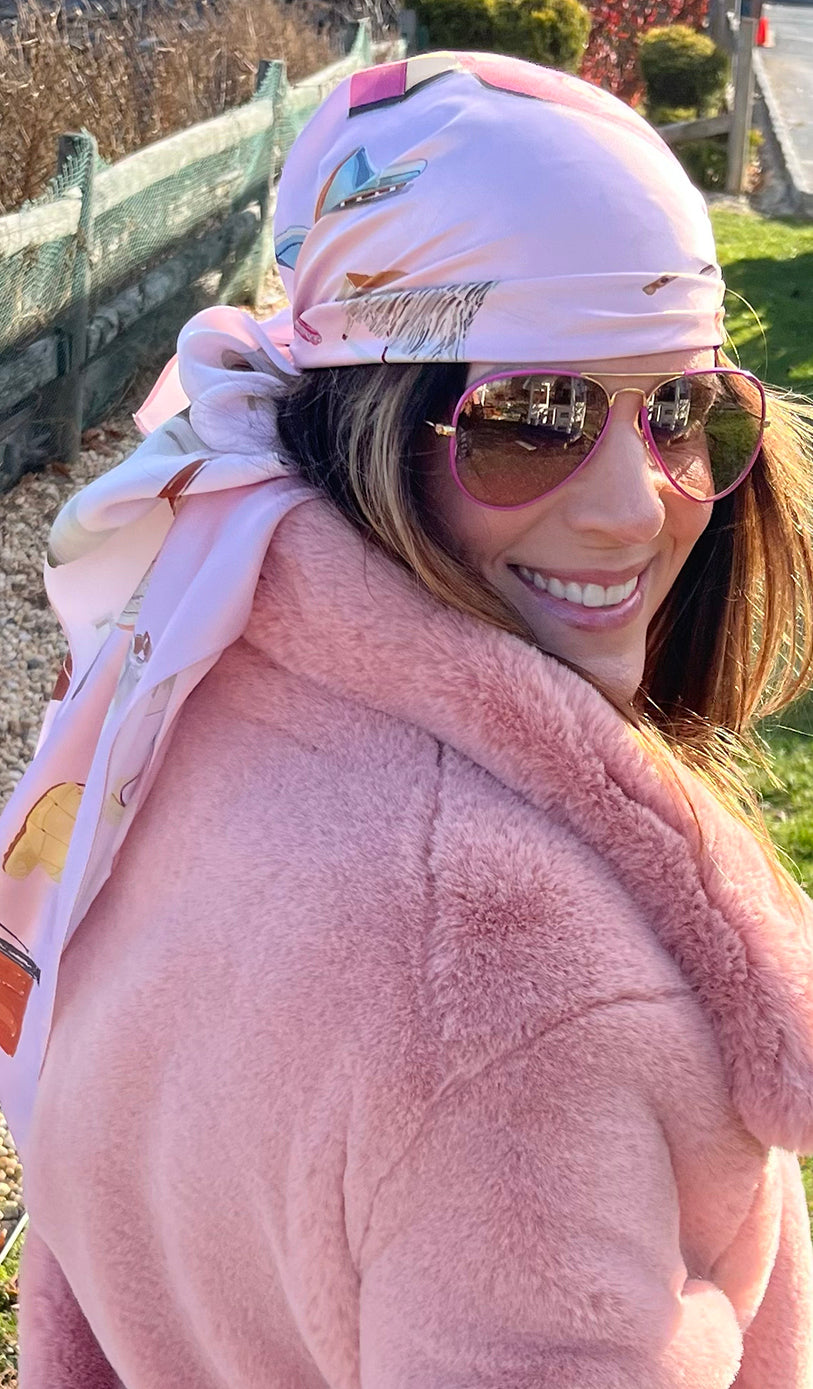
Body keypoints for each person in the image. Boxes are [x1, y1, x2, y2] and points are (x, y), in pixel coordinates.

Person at [3, 49, 813, 1389]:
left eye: (678, 407)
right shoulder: (512, 996)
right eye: (533, 416)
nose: (634, 501)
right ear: (367, 419)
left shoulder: (175, 692)